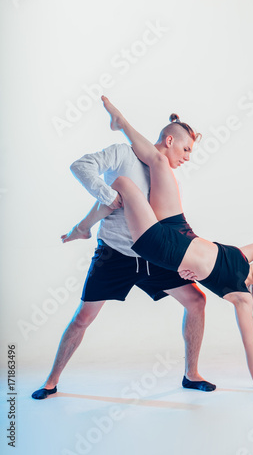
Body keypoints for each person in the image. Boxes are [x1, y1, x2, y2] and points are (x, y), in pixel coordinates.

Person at [74, 96, 253, 389]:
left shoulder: (241, 296)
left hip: (160, 245)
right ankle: (120, 123)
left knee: (123, 183)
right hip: (179, 227)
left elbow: (249, 343)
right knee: (160, 161)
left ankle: (83, 226)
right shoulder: (243, 254)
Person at [31, 106, 215, 401]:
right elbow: (80, 166)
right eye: (186, 149)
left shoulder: (164, 174)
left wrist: (186, 261)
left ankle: (191, 375)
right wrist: (108, 196)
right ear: (169, 140)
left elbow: (174, 226)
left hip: (155, 257)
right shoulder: (123, 153)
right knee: (83, 318)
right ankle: (51, 381)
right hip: (114, 254)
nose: (187, 157)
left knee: (196, 300)